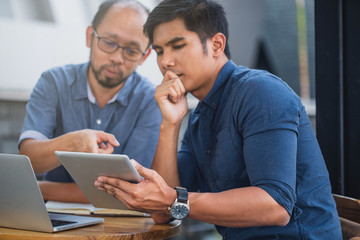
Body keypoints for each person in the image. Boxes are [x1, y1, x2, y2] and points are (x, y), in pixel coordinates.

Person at [94, 0, 342, 239]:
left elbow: (275, 206)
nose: (165, 61)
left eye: (177, 45)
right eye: (159, 51)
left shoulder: (260, 92)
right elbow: (162, 214)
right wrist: (169, 124)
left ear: (216, 45)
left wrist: (173, 199)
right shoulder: (200, 117)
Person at [19, 0, 162, 203]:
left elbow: (131, 190)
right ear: (89, 37)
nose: (117, 58)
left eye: (131, 51)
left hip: (122, 224)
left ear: (144, 56)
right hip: (55, 216)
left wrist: (40, 189)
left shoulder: (150, 100)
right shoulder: (53, 82)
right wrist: (74, 142)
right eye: (109, 43)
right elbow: (28, 160)